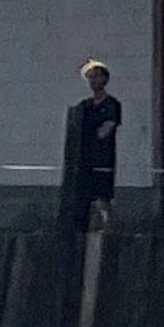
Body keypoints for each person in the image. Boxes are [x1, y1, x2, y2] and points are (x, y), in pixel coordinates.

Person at [68, 60, 122, 229]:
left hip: (103, 161)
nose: (93, 81)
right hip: (83, 162)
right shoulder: (84, 106)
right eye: (90, 77)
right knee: (83, 199)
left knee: (102, 199)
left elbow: (104, 132)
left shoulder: (112, 105)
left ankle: (103, 231)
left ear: (105, 79)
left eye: (96, 76)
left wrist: (90, 132)